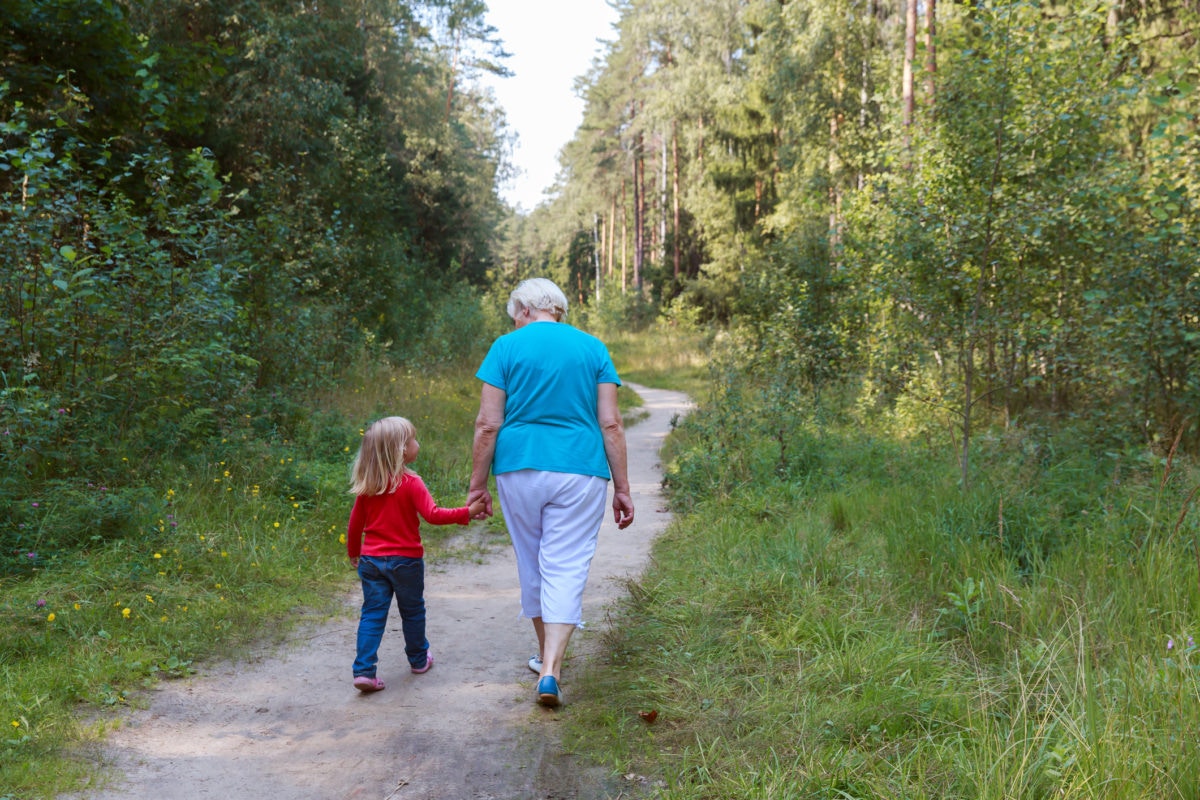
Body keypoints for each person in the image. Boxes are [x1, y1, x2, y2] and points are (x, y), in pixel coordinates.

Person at [468, 278, 634, 708]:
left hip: (518, 467)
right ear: (556, 309)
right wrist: (623, 489)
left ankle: (546, 659)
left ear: (524, 309)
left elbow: (488, 424)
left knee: (533, 560)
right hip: (581, 469)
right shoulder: (593, 348)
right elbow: (611, 424)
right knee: (566, 564)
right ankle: (550, 670)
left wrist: (477, 486)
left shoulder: (505, 348)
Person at [347, 416, 485, 693]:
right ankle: (419, 659)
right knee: (412, 611)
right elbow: (433, 515)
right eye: (413, 439)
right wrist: (466, 513)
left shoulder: (369, 485)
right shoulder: (411, 482)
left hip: (372, 561)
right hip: (406, 562)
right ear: (401, 450)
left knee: (373, 613)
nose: (416, 443)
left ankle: (364, 671)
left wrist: (354, 552)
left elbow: (355, 524)